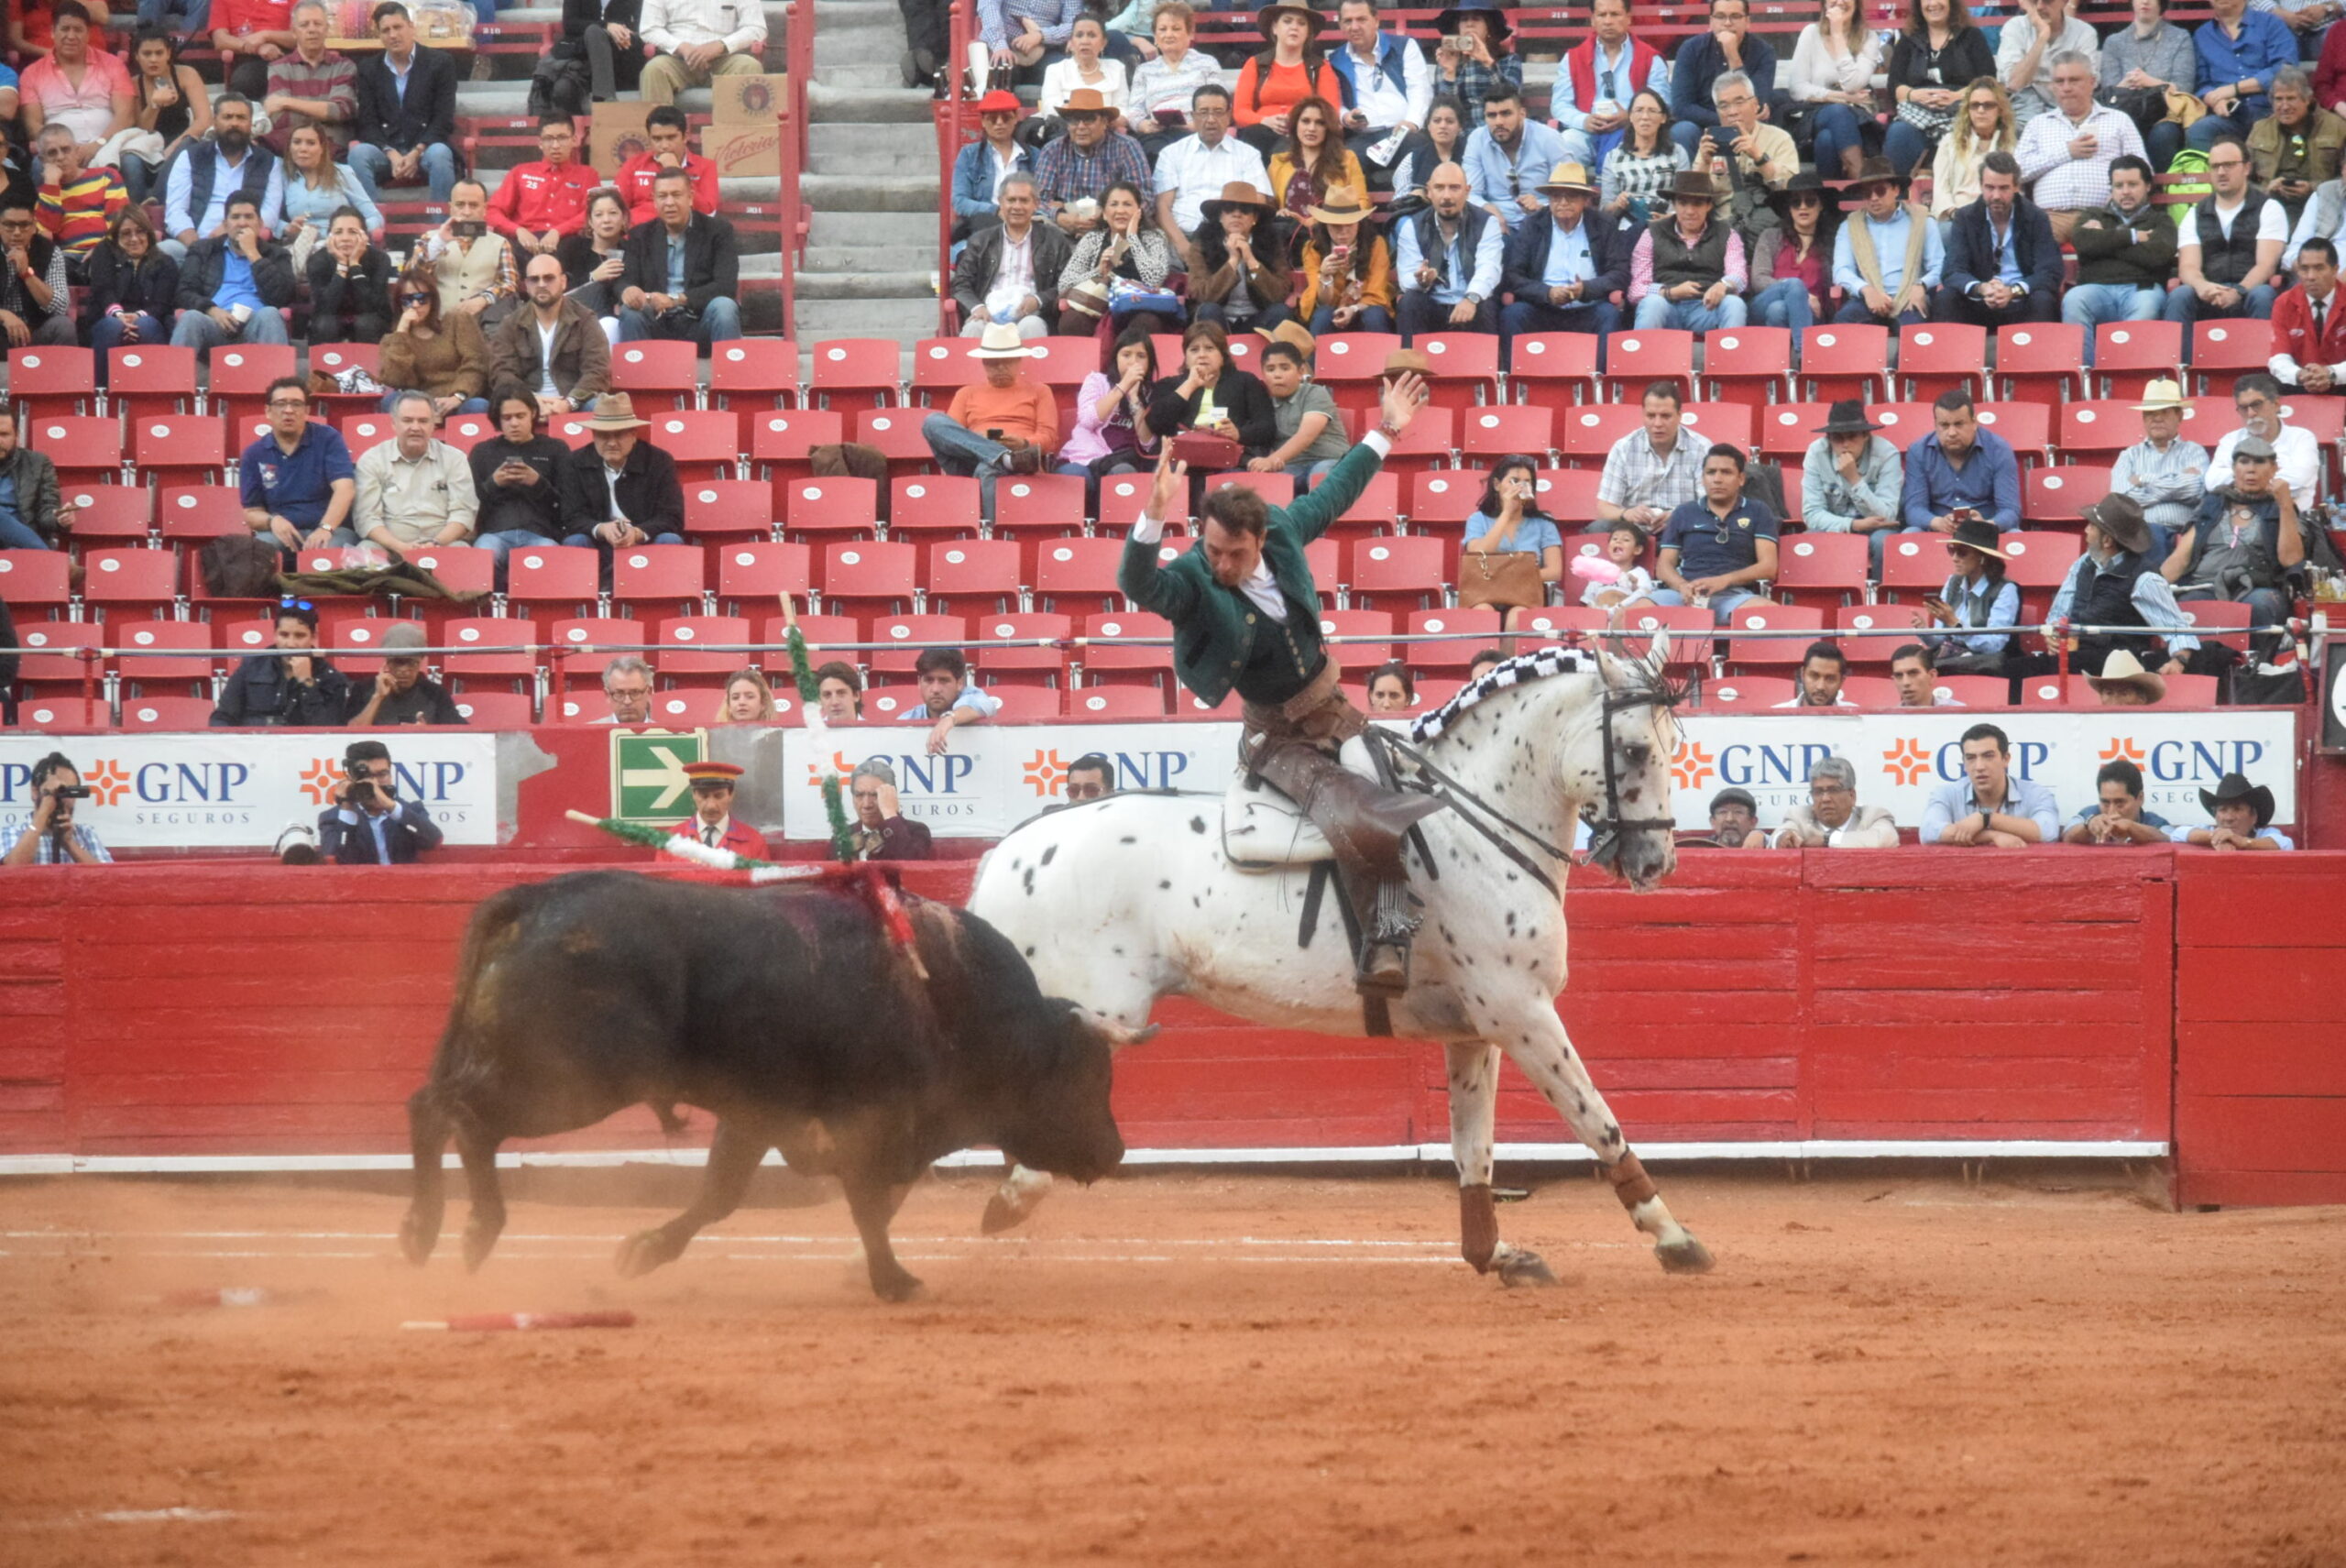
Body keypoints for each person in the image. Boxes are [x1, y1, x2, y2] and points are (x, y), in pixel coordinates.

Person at [1117, 367, 1438, 992]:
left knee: (1403, 789)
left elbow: (1337, 489)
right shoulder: (1193, 578)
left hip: (1334, 709)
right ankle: (1383, 942)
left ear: (1260, 539)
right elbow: (1140, 585)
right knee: (1352, 806)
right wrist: (1151, 521)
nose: (1220, 563)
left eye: (1234, 553)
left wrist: (1387, 432)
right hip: (1276, 734)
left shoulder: (1285, 533)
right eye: (1212, 549)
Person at [2163, 433, 2304, 662]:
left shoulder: (2281, 507)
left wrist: (2286, 505)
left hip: (2257, 587)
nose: (2251, 469)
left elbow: (2290, 559)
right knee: (2188, 604)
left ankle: (2254, 671)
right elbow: (2181, 557)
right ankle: (2193, 668)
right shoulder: (2214, 502)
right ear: (2234, 467)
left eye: (2259, 462)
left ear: (2274, 468)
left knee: (2259, 605)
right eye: (2244, 461)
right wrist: (2155, 586)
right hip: (2205, 583)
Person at [2046, 494, 2201, 675]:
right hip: (2075, 656)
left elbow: (2177, 630)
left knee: (2023, 669)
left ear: (2107, 541)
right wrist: (2053, 633)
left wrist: (2179, 660)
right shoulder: (2083, 563)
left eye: (2091, 526)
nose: (2086, 531)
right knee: (2021, 668)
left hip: (2119, 664)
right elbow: (2058, 615)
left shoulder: (2145, 579)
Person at [926, 322, 1062, 518]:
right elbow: (951, 437)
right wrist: (980, 442)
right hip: (972, 458)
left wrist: (1023, 443)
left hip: (1022, 457)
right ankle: (1001, 457)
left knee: (987, 469)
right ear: (983, 363)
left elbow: (1049, 438)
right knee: (932, 421)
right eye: (992, 362)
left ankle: (992, 534)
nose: (1000, 368)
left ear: (1019, 360)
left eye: (1007, 361)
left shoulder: (1040, 391)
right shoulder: (967, 393)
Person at [2012, 53, 2142, 247]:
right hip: (2050, 216)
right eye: (2059, 81)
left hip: (2104, 214)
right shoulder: (2037, 124)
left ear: (2092, 82)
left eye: (2074, 80)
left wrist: (2115, 201)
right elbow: (2017, 172)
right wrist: (2067, 152)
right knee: (2027, 250)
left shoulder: (2118, 120)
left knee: (2108, 251)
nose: (2066, 88)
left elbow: (2142, 169)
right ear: (2051, 86)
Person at [1499, 161, 1628, 349]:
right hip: (1542, 307)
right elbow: (1513, 276)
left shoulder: (1604, 224)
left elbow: (1620, 272)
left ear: (1585, 200)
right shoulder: (1532, 225)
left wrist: (1585, 290)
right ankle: (1517, 378)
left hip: (1588, 307)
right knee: (1513, 314)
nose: (1563, 203)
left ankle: (1599, 378)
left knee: (1610, 315)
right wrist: (1547, 293)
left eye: (1571, 197)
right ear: (1549, 200)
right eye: (1556, 197)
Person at [1650, 443, 1780, 624]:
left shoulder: (1758, 511)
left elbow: (1768, 567)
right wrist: (1682, 586)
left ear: (1741, 479)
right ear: (1702, 478)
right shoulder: (1684, 512)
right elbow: (1664, 566)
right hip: (1684, 594)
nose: (1717, 479)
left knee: (1774, 616)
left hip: (1733, 596)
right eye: (1711, 472)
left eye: (1726, 472)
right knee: (1625, 617)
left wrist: (1723, 581)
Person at [2166, 134, 2286, 331]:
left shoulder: (2269, 208)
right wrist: (2202, 286)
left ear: (2246, 168)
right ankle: (2179, 362)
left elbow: (2266, 266)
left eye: (2229, 165)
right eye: (2215, 166)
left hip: (2249, 290)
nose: (2221, 172)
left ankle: (2263, 361)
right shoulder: (2195, 213)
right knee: (2181, 295)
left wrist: (2239, 291)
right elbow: (2188, 266)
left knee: (2263, 294)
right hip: (2209, 293)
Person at [1896, 389, 2021, 576]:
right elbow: (1914, 509)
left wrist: (1988, 525)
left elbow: (2011, 510)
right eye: (1944, 425)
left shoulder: (1999, 449)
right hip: (1940, 531)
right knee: (1909, 535)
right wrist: (1937, 522)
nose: (1952, 432)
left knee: (2016, 537)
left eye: (1959, 424)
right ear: (1935, 425)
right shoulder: (1918, 451)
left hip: (1985, 531)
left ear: (1974, 423)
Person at [348, 2, 461, 203]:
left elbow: (443, 118)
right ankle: (370, 226)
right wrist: (391, 154)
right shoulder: (368, 69)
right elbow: (368, 121)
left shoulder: (441, 63)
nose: (393, 35)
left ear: (411, 26)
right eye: (386, 30)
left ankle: (441, 230)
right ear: (379, 36)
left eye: (397, 27)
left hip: (426, 147)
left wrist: (416, 152)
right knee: (358, 154)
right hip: (386, 151)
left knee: (440, 154)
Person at [1934, 150, 2062, 327]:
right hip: (1979, 300)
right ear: (1981, 185)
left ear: (2016, 187)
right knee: (1946, 298)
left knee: (2043, 300)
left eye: (2003, 188)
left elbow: (2050, 272)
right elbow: (1952, 271)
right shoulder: (1965, 217)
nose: (1996, 196)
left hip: (2021, 301)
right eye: (1990, 187)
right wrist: (1982, 288)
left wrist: (2013, 291)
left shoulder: (2036, 217)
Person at [2064, 156, 2176, 356]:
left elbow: (2158, 256)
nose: (2125, 192)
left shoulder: (2161, 220)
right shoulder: (2093, 215)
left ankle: (2125, 378)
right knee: (2073, 300)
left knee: (2147, 306)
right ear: (2111, 189)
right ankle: (2083, 380)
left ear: (2148, 186)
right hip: (2094, 289)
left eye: (2132, 184)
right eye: (2119, 185)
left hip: (2142, 289)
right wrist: (2132, 237)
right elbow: (2083, 242)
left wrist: (2104, 241)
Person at [619, 167, 741, 346]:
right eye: (662, 196)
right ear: (654, 200)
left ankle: (729, 373)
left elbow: (726, 285)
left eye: (676, 195)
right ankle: (635, 373)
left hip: (699, 320)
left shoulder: (718, 231)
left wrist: (676, 299)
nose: (669, 203)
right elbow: (625, 279)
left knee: (725, 307)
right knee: (630, 312)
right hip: (657, 321)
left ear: (690, 197)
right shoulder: (640, 235)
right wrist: (628, 291)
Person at [353, 392, 480, 561]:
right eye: (407, 420)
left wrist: (435, 543)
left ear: (434, 424)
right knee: (365, 552)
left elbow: (463, 512)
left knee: (464, 553)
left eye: (423, 421)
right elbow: (367, 518)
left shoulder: (455, 458)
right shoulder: (372, 459)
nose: (415, 427)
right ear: (393, 424)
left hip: (442, 544)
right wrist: (400, 547)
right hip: (390, 547)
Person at [1150, 84, 1269, 265]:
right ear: (1193, 116)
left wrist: (1233, 240)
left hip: (1229, 239)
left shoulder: (1248, 154)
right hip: (1183, 236)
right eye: (1204, 112)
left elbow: (1258, 201)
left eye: (1218, 112)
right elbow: (1162, 206)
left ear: (1229, 116)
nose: (1211, 119)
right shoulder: (1171, 153)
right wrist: (1183, 246)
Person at [560, 392, 685, 557]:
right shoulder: (574, 461)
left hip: (645, 540)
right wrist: (602, 529)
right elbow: (571, 516)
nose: (612, 443)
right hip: (598, 542)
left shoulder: (659, 461)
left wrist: (638, 533)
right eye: (604, 435)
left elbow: (672, 516)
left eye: (619, 435)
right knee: (575, 541)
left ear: (633, 435)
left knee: (670, 539)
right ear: (593, 436)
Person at [240, 377, 356, 554]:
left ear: (307, 410)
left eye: (296, 404)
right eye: (281, 404)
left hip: (332, 530)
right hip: (281, 532)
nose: (288, 410)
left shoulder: (329, 439)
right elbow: (251, 512)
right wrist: (272, 521)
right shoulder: (254, 454)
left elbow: (345, 490)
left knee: (325, 551)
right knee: (259, 550)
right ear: (268, 411)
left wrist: (325, 528)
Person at [1327, 0, 1434, 191]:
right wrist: (1346, 116)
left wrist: (1412, 122)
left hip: (1403, 133)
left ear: (1376, 20)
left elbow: (1419, 89)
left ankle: (1416, 207)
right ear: (1340, 25)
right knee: (1342, 162)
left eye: (1361, 19)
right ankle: (1355, 217)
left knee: (1422, 150)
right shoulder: (1336, 59)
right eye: (1348, 21)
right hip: (1364, 137)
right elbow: (1334, 101)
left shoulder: (1404, 46)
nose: (1355, 27)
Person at [492, 250, 612, 420]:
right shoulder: (511, 324)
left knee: (599, 405)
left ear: (563, 282)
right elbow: (502, 373)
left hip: (573, 401)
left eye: (549, 278)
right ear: (526, 285)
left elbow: (597, 371)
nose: (541, 284)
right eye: (534, 279)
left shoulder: (585, 319)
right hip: (525, 404)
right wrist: (530, 401)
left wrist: (568, 403)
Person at [160, 93, 281, 260]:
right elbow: (176, 212)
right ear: (214, 121)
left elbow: (270, 214)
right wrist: (198, 247)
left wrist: (231, 231)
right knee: (165, 250)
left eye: (241, 118)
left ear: (250, 123)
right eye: (227, 117)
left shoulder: (268, 161)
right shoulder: (191, 157)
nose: (234, 123)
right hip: (195, 244)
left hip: (247, 244)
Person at [168, 192, 291, 354]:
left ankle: (279, 378)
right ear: (225, 224)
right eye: (235, 217)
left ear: (260, 223)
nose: (242, 223)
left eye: (248, 217)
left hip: (255, 325)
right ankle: (174, 378)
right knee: (191, 317)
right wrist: (211, 310)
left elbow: (283, 297)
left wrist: (253, 253)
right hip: (214, 324)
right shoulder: (203, 250)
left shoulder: (277, 254)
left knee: (270, 314)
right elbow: (184, 292)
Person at [1884, 0, 1997, 177]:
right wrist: (1914, 95)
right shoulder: (1908, 39)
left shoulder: (1972, 36)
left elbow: (1988, 80)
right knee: (1899, 133)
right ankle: (1902, 197)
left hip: (1961, 111)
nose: (1933, 4)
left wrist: (1957, 96)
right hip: (1916, 112)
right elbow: (1894, 85)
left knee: (1964, 133)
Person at [953, 173, 1070, 341]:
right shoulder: (981, 240)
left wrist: (1038, 299)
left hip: (1032, 313)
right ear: (1001, 202)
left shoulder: (1054, 239)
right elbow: (960, 284)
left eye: (1024, 200)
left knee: (1032, 326)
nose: (1017, 206)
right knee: (974, 328)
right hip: (988, 313)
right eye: (1011, 200)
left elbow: (1066, 283)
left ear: (1036, 204)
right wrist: (977, 307)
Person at [1628, 169, 1749, 332]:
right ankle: (1642, 357)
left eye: (1698, 203)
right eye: (1683, 203)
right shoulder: (1652, 233)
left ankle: (1729, 357)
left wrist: (1723, 285)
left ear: (1708, 205)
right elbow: (1636, 290)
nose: (1690, 211)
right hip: (1667, 308)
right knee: (1652, 303)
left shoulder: (1727, 234)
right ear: (1674, 205)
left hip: (1707, 309)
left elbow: (1739, 275)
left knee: (1734, 303)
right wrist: (1671, 292)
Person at [1556, 0, 1670, 171]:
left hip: (1632, 130)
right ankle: (1570, 198)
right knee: (1566, 143)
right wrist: (1584, 120)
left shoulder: (1651, 58)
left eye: (1615, 14)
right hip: (1587, 131)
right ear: (1593, 20)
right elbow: (1560, 104)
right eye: (1602, 15)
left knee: (1633, 140)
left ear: (1629, 18)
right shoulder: (1572, 58)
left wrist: (1631, 116)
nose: (1608, 21)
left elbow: (1663, 102)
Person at [1394, 160, 1502, 339]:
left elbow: (1489, 268)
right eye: (1439, 188)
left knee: (1485, 304)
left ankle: (1487, 367)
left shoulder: (1487, 222)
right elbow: (1406, 278)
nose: (1446, 196)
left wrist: (1471, 298)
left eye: (1454, 188)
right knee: (1410, 302)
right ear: (1429, 191)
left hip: (1471, 304)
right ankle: (1409, 364)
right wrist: (1421, 281)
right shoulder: (1412, 226)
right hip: (1433, 303)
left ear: (1467, 191)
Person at [19, 5, 133, 171]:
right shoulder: (32, 73)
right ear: (53, 32)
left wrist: (98, 144)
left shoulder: (113, 64)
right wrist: (65, 150)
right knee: (39, 167)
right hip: (59, 151)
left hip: (110, 144)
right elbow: (32, 124)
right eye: (65, 29)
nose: (71, 36)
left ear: (88, 34)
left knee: (133, 163)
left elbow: (126, 115)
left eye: (78, 30)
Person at [472, 385, 576, 566]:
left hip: (542, 534)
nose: (514, 423)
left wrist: (538, 483)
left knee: (550, 558)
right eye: (507, 418)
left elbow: (569, 505)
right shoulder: (482, 452)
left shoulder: (556, 449)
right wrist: (494, 483)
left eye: (520, 416)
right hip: (495, 533)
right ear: (498, 419)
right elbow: (470, 506)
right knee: (482, 557)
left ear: (533, 413)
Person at [1147, 317, 1276, 463]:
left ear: (1222, 355)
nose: (1202, 355)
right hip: (1180, 459)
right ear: (1186, 357)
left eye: (1209, 348)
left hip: (1230, 460)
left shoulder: (1245, 381)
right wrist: (1190, 385)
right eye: (1194, 350)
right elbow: (1155, 424)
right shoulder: (1169, 384)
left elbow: (1267, 427)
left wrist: (1239, 433)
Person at [209, 598, 354, 726]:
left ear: (313, 637)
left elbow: (328, 730)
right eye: (284, 635)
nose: (290, 643)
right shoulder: (251, 665)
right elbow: (223, 716)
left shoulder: (331, 678)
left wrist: (307, 683)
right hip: (252, 746)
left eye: (299, 636)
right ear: (274, 635)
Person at [1832, 156, 1939, 325]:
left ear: (1896, 190)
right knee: (1843, 323)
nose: (1874, 198)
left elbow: (1938, 266)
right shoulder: (1849, 226)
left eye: (1880, 190)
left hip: (1909, 297)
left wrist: (1921, 286)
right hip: (1867, 299)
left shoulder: (1923, 220)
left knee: (1915, 337)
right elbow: (1841, 270)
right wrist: (1866, 290)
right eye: (1867, 193)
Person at [1058, 326, 1161, 504]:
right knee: (1076, 477)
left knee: (1124, 473)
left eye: (1141, 356)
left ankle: (1114, 530)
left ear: (1150, 362)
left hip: (1122, 463)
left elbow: (1148, 443)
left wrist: (1135, 398)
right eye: (1126, 355)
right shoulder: (1096, 381)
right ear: (1116, 357)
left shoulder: (1153, 393)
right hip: (1083, 460)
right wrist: (1122, 387)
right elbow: (1088, 420)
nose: (1133, 362)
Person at [1462, 455, 1565, 630]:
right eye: (1514, 481)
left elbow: (1555, 571)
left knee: (1517, 617)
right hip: (1485, 592)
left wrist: (1514, 578)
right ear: (1497, 485)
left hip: (1525, 595)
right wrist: (1506, 513)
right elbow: (1477, 554)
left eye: (1527, 482)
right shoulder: (1478, 519)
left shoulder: (1544, 523)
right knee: (1482, 613)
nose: (1520, 487)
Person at [379, 256, 491, 417]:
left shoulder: (456, 320)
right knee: (391, 401)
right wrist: (402, 331)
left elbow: (476, 364)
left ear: (433, 300)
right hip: (421, 405)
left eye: (421, 298)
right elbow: (396, 381)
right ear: (399, 303)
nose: (415, 305)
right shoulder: (393, 340)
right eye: (407, 300)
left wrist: (457, 397)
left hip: (460, 399)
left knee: (478, 406)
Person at [1787, 0, 1887, 180]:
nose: (1840, 2)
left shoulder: (1869, 38)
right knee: (1838, 112)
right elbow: (1797, 88)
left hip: (1859, 115)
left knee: (1826, 140)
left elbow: (1853, 84)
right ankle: (1862, 183)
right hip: (1816, 113)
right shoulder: (1810, 34)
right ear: (1824, 4)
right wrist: (1839, 97)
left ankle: (1832, 201)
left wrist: (1837, 34)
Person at [107, 28, 209, 204]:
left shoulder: (186, 74)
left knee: (185, 147)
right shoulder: (133, 83)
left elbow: (205, 119)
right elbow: (142, 130)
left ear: (168, 53)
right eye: (147, 54)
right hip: (150, 143)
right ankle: (136, 210)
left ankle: (155, 201)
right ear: (137, 56)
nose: (153, 59)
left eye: (159, 53)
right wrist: (154, 105)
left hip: (183, 138)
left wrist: (173, 147)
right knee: (129, 160)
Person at [1670, 0, 1780, 159]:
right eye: (1720, 17)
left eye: (1735, 16)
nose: (1727, 23)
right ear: (1711, 21)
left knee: (1765, 130)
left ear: (1747, 21)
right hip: (1702, 125)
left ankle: (1755, 181)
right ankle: (1693, 182)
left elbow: (1758, 103)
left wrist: (1732, 55)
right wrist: (1725, 119)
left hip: (1747, 127)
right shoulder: (1691, 49)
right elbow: (1681, 107)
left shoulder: (1764, 51)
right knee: (1683, 131)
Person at [2109, 379, 2210, 551]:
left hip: (2185, 533)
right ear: (2143, 418)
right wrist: (2178, 482)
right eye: (2150, 413)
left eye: (2164, 412)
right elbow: (2122, 502)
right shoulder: (2128, 456)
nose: (2157, 418)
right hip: (2139, 534)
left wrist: (2143, 479)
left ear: (2179, 416)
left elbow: (2196, 489)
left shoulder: (2194, 451)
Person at [1697, 69, 1798, 241]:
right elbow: (1693, 200)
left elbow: (1791, 191)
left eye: (1739, 102)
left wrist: (1759, 157)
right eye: (1724, 106)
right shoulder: (1710, 144)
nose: (1732, 111)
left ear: (1756, 104)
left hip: (1768, 227)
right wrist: (1705, 164)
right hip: (1721, 228)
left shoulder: (1780, 138)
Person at [1036, 89, 1152, 234]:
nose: (1081, 126)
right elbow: (1037, 200)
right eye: (1074, 120)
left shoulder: (1127, 147)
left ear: (1104, 122)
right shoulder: (1052, 150)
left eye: (1089, 119)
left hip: (1114, 229)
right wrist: (1059, 216)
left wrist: (1108, 217)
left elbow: (1144, 198)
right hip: (1064, 231)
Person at [1597, 380, 1709, 531]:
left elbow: (1710, 503)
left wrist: (1678, 516)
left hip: (1683, 527)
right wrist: (1627, 514)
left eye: (1665, 416)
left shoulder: (1702, 449)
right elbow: (1605, 507)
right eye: (1651, 416)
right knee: (1599, 528)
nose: (1657, 423)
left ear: (1679, 416)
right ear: (1642, 415)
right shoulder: (1623, 448)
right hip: (1633, 531)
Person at [1922, 722, 2059, 844]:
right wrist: (1992, 836)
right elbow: (1929, 833)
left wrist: (1987, 817)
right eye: (1971, 758)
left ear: (2006, 759)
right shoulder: (1946, 793)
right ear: (1963, 763)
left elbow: (2048, 832)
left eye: (1988, 756)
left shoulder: (2037, 794)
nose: (1979, 766)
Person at [2187, 0, 2297, 151]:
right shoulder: (2202, 35)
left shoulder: (2271, 23)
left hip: (2271, 109)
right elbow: (2201, 83)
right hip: (2230, 116)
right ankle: (2219, 174)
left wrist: (2235, 89)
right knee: (2199, 131)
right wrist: (2215, 100)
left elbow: (2285, 69)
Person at [1801, 400, 1904, 559]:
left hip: (1877, 530)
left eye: (1852, 436)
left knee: (1883, 542)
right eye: (1837, 438)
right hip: (1834, 526)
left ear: (1866, 436)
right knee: (1808, 540)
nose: (1845, 444)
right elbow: (1812, 513)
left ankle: (1881, 584)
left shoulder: (1887, 453)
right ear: (1828, 438)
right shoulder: (1816, 453)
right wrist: (1853, 525)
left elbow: (1888, 516)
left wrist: (1854, 480)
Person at [1189, 180, 1295, 334]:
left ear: (1255, 218)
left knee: (1281, 311)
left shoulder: (1271, 243)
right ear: (1220, 216)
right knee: (1208, 309)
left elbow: (1279, 295)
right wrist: (1232, 261)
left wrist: (1251, 260)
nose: (1237, 214)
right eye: (1229, 208)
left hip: (1257, 320)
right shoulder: (1203, 243)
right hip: (1218, 321)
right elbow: (1202, 295)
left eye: (1244, 209)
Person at [2100, 0, 2196, 171]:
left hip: (2166, 113)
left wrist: (2149, 82)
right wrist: (2127, 82)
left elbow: (2184, 87)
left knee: (2163, 134)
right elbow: (2109, 91)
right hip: (2126, 111)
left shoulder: (2180, 37)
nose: (2145, 2)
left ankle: (2164, 191)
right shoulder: (2114, 42)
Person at [1233, 2, 1338, 158]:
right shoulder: (1255, 64)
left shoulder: (1320, 67)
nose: (1294, 27)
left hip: (1305, 134)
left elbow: (1331, 112)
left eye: (1301, 23)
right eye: (1287, 21)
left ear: (1308, 31)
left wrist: (1300, 124)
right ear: (1275, 28)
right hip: (1262, 134)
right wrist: (1265, 120)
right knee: (1254, 135)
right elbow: (1240, 113)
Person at [488, 115, 599, 261]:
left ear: (574, 140)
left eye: (562, 138)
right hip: (523, 242)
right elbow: (492, 211)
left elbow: (593, 212)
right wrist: (518, 231)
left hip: (568, 243)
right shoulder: (520, 172)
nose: (555, 145)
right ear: (540, 143)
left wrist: (558, 231)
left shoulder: (587, 174)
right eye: (548, 139)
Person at [80, 204, 175, 367]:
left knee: (146, 325)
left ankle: (155, 389)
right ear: (116, 237)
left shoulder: (165, 262)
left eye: (140, 231)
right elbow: (103, 290)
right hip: (107, 318)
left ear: (149, 233)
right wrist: (119, 316)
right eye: (126, 233)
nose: (134, 239)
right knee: (112, 325)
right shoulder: (104, 252)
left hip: (149, 319)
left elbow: (162, 304)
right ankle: (101, 390)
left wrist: (137, 317)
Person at [319, 741, 446, 861]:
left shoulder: (410, 810)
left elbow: (434, 841)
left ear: (390, 774)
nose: (374, 782)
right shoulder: (332, 818)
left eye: (382, 774)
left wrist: (390, 806)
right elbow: (334, 858)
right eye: (367, 776)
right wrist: (347, 807)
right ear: (351, 777)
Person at [1464, 84, 1569, 231]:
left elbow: (1569, 193)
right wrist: (1490, 212)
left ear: (1522, 114)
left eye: (1506, 113)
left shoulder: (1549, 138)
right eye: (1491, 115)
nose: (1498, 122)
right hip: (1496, 226)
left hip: (1544, 223)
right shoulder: (1477, 139)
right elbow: (1470, 193)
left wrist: (1541, 208)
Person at [1923, 515, 2020, 671]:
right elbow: (1939, 640)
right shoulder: (1952, 582)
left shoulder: (2006, 589)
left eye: (1962, 552)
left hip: (1982, 665)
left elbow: (1995, 645)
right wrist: (1923, 631)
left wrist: (1956, 625)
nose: (1954, 558)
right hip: (1950, 659)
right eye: (1952, 550)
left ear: (1982, 557)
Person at [278, 123, 379, 272]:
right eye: (297, 142)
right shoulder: (284, 177)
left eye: (310, 143)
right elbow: (271, 219)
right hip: (300, 246)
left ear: (322, 148)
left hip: (338, 246)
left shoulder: (342, 174)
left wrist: (349, 233)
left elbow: (373, 216)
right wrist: (286, 228)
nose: (303, 149)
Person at [1297, 184, 1397, 334]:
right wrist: (1325, 276)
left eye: (1349, 224)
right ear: (1326, 226)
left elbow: (1376, 292)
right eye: (1336, 226)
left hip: (1365, 308)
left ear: (1359, 223)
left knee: (1374, 315)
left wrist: (1352, 309)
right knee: (1323, 315)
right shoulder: (1313, 248)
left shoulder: (1376, 244)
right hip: (1332, 311)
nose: (1343, 232)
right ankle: (1318, 358)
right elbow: (1323, 302)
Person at [2249, 67, 2341, 227]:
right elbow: (2241, 179)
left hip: (2323, 207)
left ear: (2308, 99)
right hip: (2270, 207)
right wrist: (2266, 189)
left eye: (2291, 98)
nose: (2284, 106)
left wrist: (2314, 188)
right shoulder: (2260, 129)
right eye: (2278, 99)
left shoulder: (2337, 127)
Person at [1128, 6, 1222, 161]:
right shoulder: (1144, 70)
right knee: (1153, 151)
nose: (1169, 35)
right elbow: (1134, 110)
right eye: (1162, 29)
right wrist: (1143, 125)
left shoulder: (1207, 63)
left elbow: (1218, 102)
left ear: (1190, 33)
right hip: (1157, 134)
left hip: (1196, 131)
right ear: (1155, 36)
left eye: (1176, 29)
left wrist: (1198, 124)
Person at [262, 0, 356, 156]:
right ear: (293, 32)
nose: (312, 29)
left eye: (317, 24)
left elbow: (340, 111)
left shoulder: (344, 66)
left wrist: (286, 102)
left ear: (327, 29)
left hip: (333, 151)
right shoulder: (279, 67)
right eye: (304, 25)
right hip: (292, 152)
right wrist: (324, 114)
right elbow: (280, 119)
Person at [421, 181, 518, 330]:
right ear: (450, 207)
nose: (466, 212)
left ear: (485, 209)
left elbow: (509, 284)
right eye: (460, 204)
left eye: (473, 205)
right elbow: (412, 279)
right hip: (438, 326)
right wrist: (438, 243)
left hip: (481, 328)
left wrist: (484, 299)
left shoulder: (500, 243)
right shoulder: (430, 239)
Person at [1749, 169, 1836, 335]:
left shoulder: (1831, 243)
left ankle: (1785, 358)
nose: (1803, 207)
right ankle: (1804, 355)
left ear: (1821, 205)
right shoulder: (1770, 236)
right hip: (1765, 303)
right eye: (1796, 202)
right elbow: (1759, 279)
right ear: (1789, 208)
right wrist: (1799, 293)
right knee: (1794, 287)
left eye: (1810, 201)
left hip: (1811, 313)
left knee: (1778, 310)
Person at [1255, 334, 1350, 486]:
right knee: (1265, 484)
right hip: (1291, 466)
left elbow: (1306, 436)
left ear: (1300, 371)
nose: (1277, 375)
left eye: (1285, 368)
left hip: (1330, 461)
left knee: (1320, 475)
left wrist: (1272, 460)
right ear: (1263, 374)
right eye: (1270, 369)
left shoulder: (1315, 392)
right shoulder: (1263, 403)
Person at [33, 123, 126, 271]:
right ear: (43, 160)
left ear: (77, 151)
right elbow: (46, 236)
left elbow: (120, 223)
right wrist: (51, 185)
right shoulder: (44, 193)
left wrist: (101, 250)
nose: (60, 157)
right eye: (52, 153)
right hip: (68, 258)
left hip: (108, 251)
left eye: (65, 150)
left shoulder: (106, 176)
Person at [2209, 372, 2319, 496]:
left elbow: (2299, 479)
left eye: (2256, 405)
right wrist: (2272, 475)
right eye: (2243, 408)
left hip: (2290, 513)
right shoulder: (2230, 440)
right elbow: (2212, 481)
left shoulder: (2301, 437)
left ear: (2276, 404)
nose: (2251, 413)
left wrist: (2243, 478)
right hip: (2240, 513)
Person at [639, 0, 767, 106]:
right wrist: (681, 47)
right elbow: (649, 29)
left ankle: (739, 134)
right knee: (654, 69)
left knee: (749, 65)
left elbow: (756, 27)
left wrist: (721, 45)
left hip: (724, 59)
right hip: (678, 60)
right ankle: (661, 132)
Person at [1267, 94, 1365, 232]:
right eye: (1305, 121)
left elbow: (1362, 202)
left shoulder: (1347, 159)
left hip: (1332, 232)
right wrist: (1280, 213)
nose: (1312, 128)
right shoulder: (1278, 162)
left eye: (1320, 123)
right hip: (1291, 234)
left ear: (1328, 128)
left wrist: (1319, 221)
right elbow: (1270, 207)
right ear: (1296, 125)